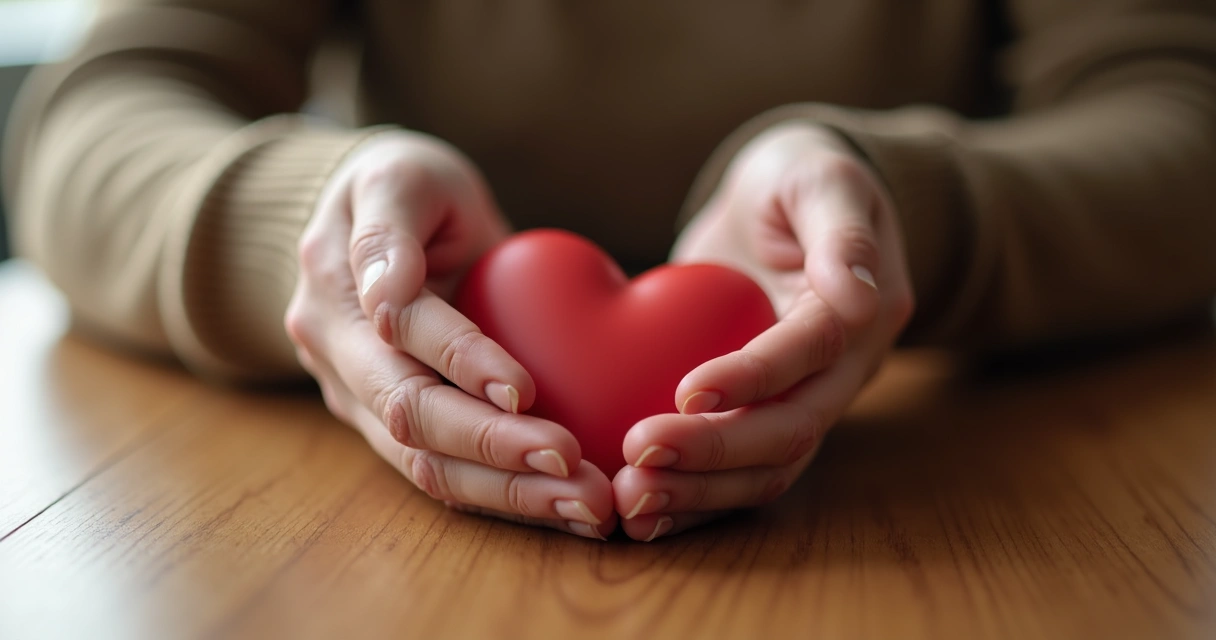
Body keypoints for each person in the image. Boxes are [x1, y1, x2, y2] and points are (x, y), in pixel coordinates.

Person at [4, 0, 1215, 543]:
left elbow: (1176, 111)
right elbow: (92, 119)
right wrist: (312, 231)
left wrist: (903, 211)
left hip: (936, 488)